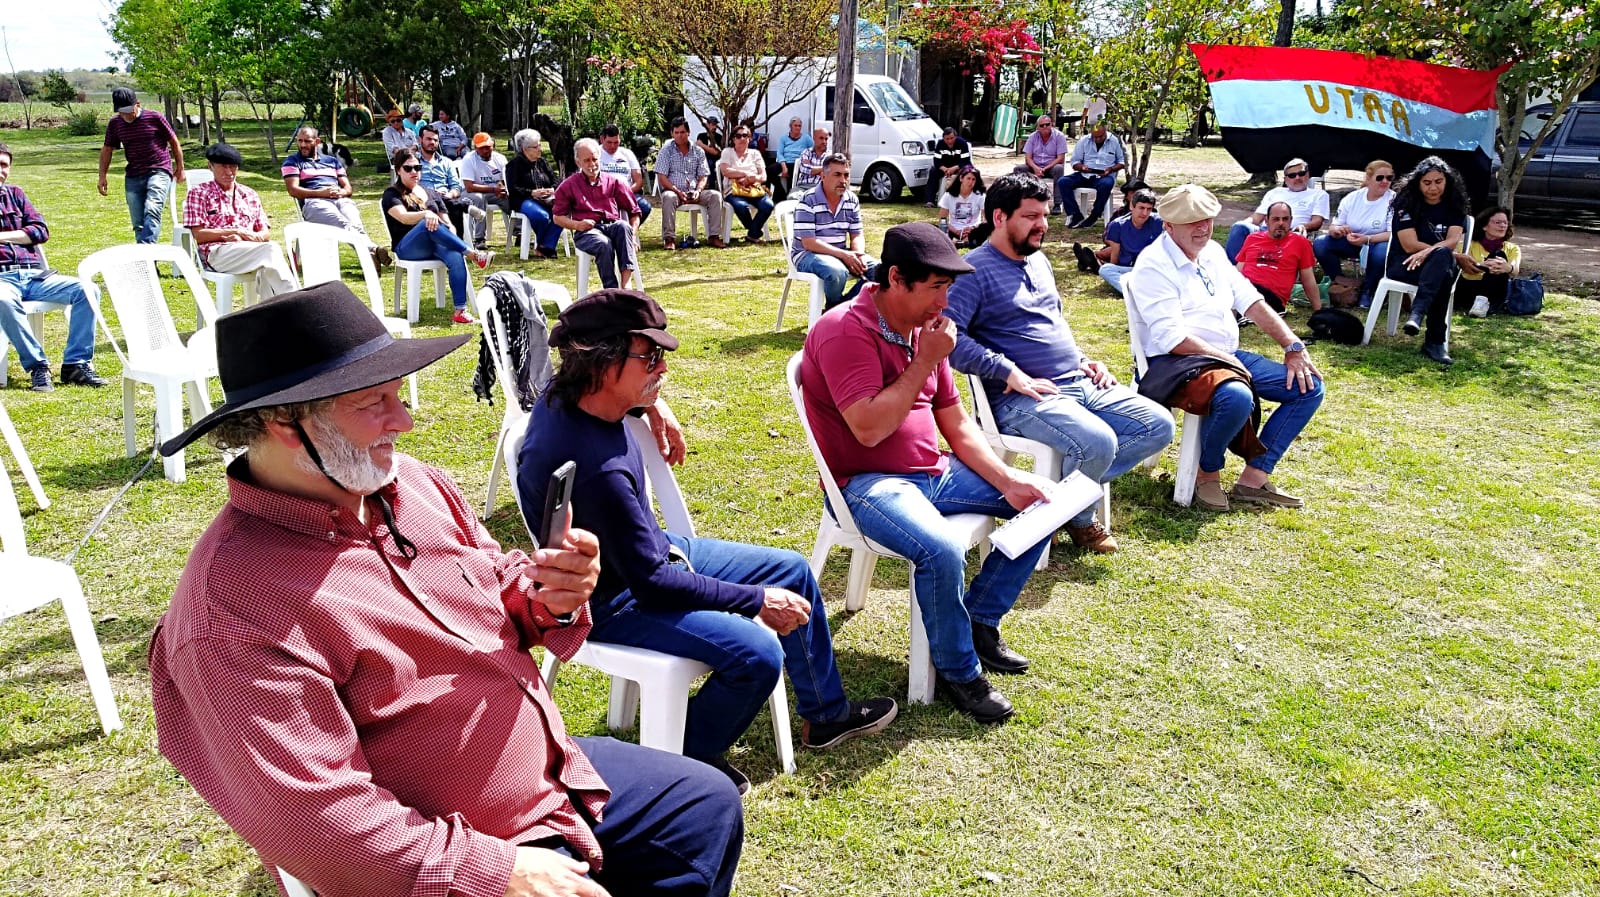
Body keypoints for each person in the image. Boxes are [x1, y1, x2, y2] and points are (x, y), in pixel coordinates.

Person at [149, 282, 744, 897]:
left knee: (705, 807)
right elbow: (314, 819)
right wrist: (497, 870)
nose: (402, 421)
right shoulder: (231, 607)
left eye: (397, 395)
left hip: (548, 777)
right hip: (448, 844)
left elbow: (494, 579)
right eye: (372, 402)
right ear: (285, 425)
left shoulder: (414, 486)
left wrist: (546, 596)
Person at [517, 289, 899, 791]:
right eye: (650, 357)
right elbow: (654, 585)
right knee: (758, 653)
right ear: (604, 360)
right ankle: (685, 757)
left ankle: (825, 715)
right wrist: (756, 602)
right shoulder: (597, 472)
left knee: (794, 570)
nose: (662, 369)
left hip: (646, 556)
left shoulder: (572, 393)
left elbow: (652, 561)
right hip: (618, 600)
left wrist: (652, 405)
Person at [799, 222, 1057, 724]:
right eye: (936, 287)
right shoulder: (843, 331)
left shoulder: (925, 330)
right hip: (868, 483)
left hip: (932, 471)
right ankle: (959, 671)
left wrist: (1009, 481)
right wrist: (923, 361)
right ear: (896, 278)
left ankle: (978, 618)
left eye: (949, 287)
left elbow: (956, 422)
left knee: (1047, 501)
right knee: (941, 549)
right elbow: (869, 431)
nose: (945, 301)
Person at [946, 174, 1173, 554]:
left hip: (1079, 381)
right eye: (1031, 216)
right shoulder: (973, 272)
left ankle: (1061, 505)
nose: (1043, 225)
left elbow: (1052, 325)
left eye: (1046, 215)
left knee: (1157, 426)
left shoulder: (1039, 263)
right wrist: (1008, 371)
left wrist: (1085, 359)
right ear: (999, 217)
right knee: (1099, 441)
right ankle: (1081, 519)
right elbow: (951, 343)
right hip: (1020, 398)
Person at [1126, 184, 1325, 512]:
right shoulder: (1154, 264)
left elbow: (1251, 302)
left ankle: (1254, 478)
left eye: (1206, 218)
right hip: (1176, 362)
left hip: (1222, 354)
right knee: (1237, 396)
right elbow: (1173, 340)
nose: (1203, 227)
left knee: (1309, 386)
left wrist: (1293, 345)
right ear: (1168, 226)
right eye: (1193, 222)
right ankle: (1207, 472)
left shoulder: (1213, 252)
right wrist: (1229, 363)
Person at [0, 140, 107, 391]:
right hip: (2, 279)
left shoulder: (16, 194)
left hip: (35, 275)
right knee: (3, 300)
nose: (0, 170)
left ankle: (76, 365)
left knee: (88, 290)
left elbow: (40, 230)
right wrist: (22, 233)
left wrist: (3, 236)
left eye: (4, 165)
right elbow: (29, 232)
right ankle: (38, 366)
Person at [382, 146, 493, 325]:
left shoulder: (429, 192)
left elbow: (447, 222)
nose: (414, 172)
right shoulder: (392, 194)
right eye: (408, 168)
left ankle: (460, 310)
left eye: (417, 168)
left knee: (455, 255)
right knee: (427, 223)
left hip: (433, 244)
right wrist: (425, 214)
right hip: (408, 247)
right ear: (398, 170)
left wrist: (450, 230)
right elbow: (403, 218)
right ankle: (473, 255)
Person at [183, 142, 298, 300]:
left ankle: (268, 320)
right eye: (223, 166)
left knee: (267, 266)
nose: (229, 172)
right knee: (270, 251)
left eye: (233, 167)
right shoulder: (199, 193)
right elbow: (198, 235)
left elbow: (264, 233)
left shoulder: (249, 194)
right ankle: (297, 302)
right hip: (216, 254)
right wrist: (235, 231)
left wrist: (245, 237)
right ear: (210, 166)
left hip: (249, 250)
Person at [1386, 155, 1473, 365]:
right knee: (1443, 268)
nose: (1433, 188)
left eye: (1438, 182)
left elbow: (1452, 240)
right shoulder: (1405, 204)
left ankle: (1417, 314)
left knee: (1441, 262)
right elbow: (1409, 244)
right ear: (1418, 183)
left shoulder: (1454, 206)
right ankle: (1434, 341)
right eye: (1427, 183)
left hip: (1436, 264)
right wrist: (1441, 253)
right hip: (1405, 263)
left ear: (1447, 181)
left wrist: (1430, 253)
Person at [97, 87, 184, 244]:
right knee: (138, 224)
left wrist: (180, 168)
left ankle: (145, 253)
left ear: (137, 104)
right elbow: (107, 149)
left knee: (152, 209)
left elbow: (174, 142)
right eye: (121, 112)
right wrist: (102, 176)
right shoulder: (115, 123)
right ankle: (149, 264)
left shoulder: (154, 117)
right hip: (133, 175)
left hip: (159, 170)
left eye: (128, 110)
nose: (126, 115)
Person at [553, 137, 641, 290]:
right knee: (603, 244)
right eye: (586, 160)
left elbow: (634, 212)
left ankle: (626, 285)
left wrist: (632, 237)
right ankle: (611, 290)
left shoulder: (614, 182)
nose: (592, 164)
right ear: (578, 162)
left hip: (611, 225)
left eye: (594, 159)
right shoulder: (569, 185)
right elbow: (557, 217)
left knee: (623, 226)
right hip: (586, 231)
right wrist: (577, 225)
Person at [791, 153, 876, 309]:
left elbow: (856, 234)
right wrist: (844, 255)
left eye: (846, 175)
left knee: (879, 270)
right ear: (823, 176)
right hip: (807, 254)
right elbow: (809, 243)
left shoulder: (851, 199)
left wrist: (858, 255)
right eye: (837, 175)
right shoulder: (808, 200)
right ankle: (836, 310)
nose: (843, 180)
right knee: (837, 272)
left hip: (841, 252)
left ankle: (838, 308)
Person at [281, 127, 379, 254]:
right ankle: (372, 249)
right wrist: (321, 193)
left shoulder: (332, 162)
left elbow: (348, 189)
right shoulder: (292, 162)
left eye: (307, 141)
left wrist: (341, 192)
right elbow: (293, 190)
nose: (303, 145)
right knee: (343, 223)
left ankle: (371, 255)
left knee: (355, 223)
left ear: (317, 142)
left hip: (339, 199)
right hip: (314, 203)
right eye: (300, 141)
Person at [1312, 159, 1395, 309]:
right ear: (1368, 179)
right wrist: (1337, 231)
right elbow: (1334, 225)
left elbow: (1392, 234)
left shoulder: (1394, 200)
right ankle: (1339, 283)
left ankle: (1368, 290)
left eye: (1389, 178)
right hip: (1351, 242)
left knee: (1382, 251)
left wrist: (1367, 239)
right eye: (1380, 177)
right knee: (1321, 243)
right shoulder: (1352, 198)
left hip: (1377, 243)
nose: (1385, 181)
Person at [1223, 158, 1329, 262]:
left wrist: (1303, 227)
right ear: (1285, 179)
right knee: (1240, 227)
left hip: (1291, 233)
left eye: (1301, 173)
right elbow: (1257, 217)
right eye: (1292, 175)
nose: (1297, 177)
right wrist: (1244, 223)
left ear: (1308, 174)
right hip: (1265, 230)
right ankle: (1232, 270)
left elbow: (1317, 221)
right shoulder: (1275, 192)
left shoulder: (1318, 195)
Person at [1235, 202, 1323, 313]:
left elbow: (1308, 279)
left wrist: (1318, 310)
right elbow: (1238, 271)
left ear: (1291, 220)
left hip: (1271, 297)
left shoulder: (1301, 243)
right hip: (1244, 289)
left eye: (1285, 219)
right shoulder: (1252, 238)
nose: (1281, 223)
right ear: (1266, 221)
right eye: (1275, 219)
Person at [656, 117, 727, 250]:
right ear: (672, 133)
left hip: (695, 192)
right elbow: (662, 177)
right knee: (668, 197)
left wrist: (698, 191)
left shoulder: (698, 151)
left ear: (688, 132)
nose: (679, 136)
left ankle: (714, 236)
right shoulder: (666, 151)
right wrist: (677, 191)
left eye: (682, 132)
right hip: (674, 191)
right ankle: (669, 239)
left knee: (715, 195)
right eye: (676, 132)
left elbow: (703, 175)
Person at [505, 128, 563, 259]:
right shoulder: (514, 165)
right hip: (523, 200)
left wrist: (552, 189)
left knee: (563, 212)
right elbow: (513, 188)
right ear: (525, 149)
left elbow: (556, 180)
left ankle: (544, 246)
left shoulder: (542, 162)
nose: (540, 149)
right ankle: (546, 246)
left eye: (540, 145)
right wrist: (532, 193)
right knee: (541, 216)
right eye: (536, 146)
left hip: (546, 198)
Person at [1056, 123, 1127, 230]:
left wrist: (1111, 169)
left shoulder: (1114, 141)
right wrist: (1082, 167)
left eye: (1101, 136)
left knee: (1107, 184)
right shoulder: (1084, 141)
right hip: (1085, 174)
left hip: (1104, 176)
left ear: (1105, 132)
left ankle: (1094, 215)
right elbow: (1075, 162)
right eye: (1095, 137)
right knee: (1063, 181)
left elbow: (1121, 162)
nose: (1098, 139)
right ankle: (1075, 214)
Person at [1455, 206, 1520, 318]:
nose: (1503, 225)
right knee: (1496, 260)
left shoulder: (1512, 248)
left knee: (1499, 257)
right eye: (1498, 222)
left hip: (1494, 290)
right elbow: (1467, 267)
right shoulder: (1467, 245)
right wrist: (1484, 265)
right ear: (1484, 226)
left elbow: (1515, 270)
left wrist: (1507, 267)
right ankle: (1478, 304)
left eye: (1505, 223)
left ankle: (1483, 304)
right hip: (1468, 287)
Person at [417, 124, 478, 239]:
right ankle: (466, 207)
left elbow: (456, 186)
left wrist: (450, 194)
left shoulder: (447, 162)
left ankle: (457, 245)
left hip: (446, 199)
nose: (432, 142)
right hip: (424, 200)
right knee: (454, 205)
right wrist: (431, 193)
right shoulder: (414, 161)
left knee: (452, 204)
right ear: (420, 140)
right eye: (428, 139)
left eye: (435, 140)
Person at [1097, 188, 1162, 293]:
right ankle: (1134, 292)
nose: (1145, 213)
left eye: (1149, 209)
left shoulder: (1159, 222)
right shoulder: (1118, 225)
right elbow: (1115, 254)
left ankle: (1139, 290)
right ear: (1132, 206)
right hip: (1129, 269)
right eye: (1141, 208)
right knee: (1106, 269)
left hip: (1152, 269)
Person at [718, 126, 774, 244]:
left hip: (754, 189)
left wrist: (751, 179)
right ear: (733, 139)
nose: (742, 138)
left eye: (745, 136)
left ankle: (752, 234)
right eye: (738, 136)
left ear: (749, 138)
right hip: (733, 191)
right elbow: (725, 171)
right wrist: (745, 173)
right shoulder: (727, 152)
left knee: (768, 205)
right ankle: (755, 233)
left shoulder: (755, 154)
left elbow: (763, 177)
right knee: (741, 206)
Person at [461, 132, 511, 249]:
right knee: (479, 198)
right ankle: (479, 239)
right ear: (476, 148)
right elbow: (469, 186)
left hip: (493, 192)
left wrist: (502, 189)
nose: (486, 151)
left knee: (512, 196)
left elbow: (504, 179)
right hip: (469, 192)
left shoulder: (500, 159)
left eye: (488, 147)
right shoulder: (469, 159)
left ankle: (519, 232)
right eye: (482, 148)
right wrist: (494, 189)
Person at [1012, 115, 1068, 214]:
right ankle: (1020, 201)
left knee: (1059, 168)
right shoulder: (1033, 137)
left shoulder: (1059, 136)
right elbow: (1028, 158)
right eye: (1042, 125)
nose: (1045, 127)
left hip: (1051, 167)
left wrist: (1045, 168)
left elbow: (1060, 158)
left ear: (1052, 125)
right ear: (1037, 127)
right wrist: (1036, 168)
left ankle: (1057, 204)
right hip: (1035, 166)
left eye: (1047, 124)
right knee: (1018, 169)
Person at [598, 125, 651, 225]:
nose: (613, 146)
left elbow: (638, 181)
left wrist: (625, 192)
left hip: (628, 192)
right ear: (602, 139)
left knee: (644, 207)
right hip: (604, 195)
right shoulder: (595, 154)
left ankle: (629, 234)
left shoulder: (627, 154)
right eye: (609, 142)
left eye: (616, 142)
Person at [938, 166, 985, 248]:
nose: (971, 182)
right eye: (968, 178)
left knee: (986, 228)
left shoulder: (980, 196)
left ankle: (965, 242)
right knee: (939, 228)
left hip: (973, 230)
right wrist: (956, 231)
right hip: (954, 229)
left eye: (973, 179)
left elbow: (986, 219)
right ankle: (953, 242)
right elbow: (942, 219)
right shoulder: (948, 195)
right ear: (961, 178)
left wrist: (972, 228)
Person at [926, 127, 973, 207]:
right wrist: (944, 169)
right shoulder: (940, 144)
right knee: (933, 171)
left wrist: (953, 168)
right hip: (945, 168)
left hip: (959, 167)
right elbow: (936, 161)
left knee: (969, 172)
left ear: (955, 136)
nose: (950, 141)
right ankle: (929, 200)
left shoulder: (962, 143)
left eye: (952, 138)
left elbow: (965, 160)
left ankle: (967, 198)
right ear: (943, 138)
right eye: (947, 139)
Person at [775, 116, 813, 195]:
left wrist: (809, 158)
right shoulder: (784, 138)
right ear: (790, 126)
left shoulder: (806, 138)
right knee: (768, 170)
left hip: (797, 162)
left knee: (792, 171)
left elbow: (813, 149)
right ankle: (778, 193)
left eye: (799, 126)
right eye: (795, 125)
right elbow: (779, 153)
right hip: (784, 162)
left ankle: (790, 195)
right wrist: (784, 166)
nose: (798, 127)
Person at [792, 128, 831, 193]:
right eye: (821, 138)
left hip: (822, 189)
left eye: (826, 139)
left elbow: (831, 172)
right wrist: (824, 168)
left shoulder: (830, 155)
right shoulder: (806, 152)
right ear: (814, 138)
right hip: (803, 187)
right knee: (792, 198)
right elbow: (806, 169)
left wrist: (813, 168)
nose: (824, 141)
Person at [697, 117, 725, 189]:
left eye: (715, 125)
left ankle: (712, 187)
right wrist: (709, 149)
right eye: (712, 125)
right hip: (703, 159)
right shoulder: (701, 136)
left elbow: (716, 153)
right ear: (707, 125)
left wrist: (703, 146)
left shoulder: (719, 137)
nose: (715, 127)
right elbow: (698, 148)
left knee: (711, 164)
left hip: (715, 160)